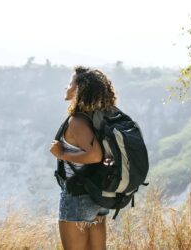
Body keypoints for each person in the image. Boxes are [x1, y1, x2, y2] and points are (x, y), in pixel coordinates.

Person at [49, 65, 118, 250]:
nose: (66, 87)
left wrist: (62, 153)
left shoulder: (77, 121)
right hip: (98, 193)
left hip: (78, 194)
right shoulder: (97, 117)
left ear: (79, 89)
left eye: (70, 83)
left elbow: (95, 155)